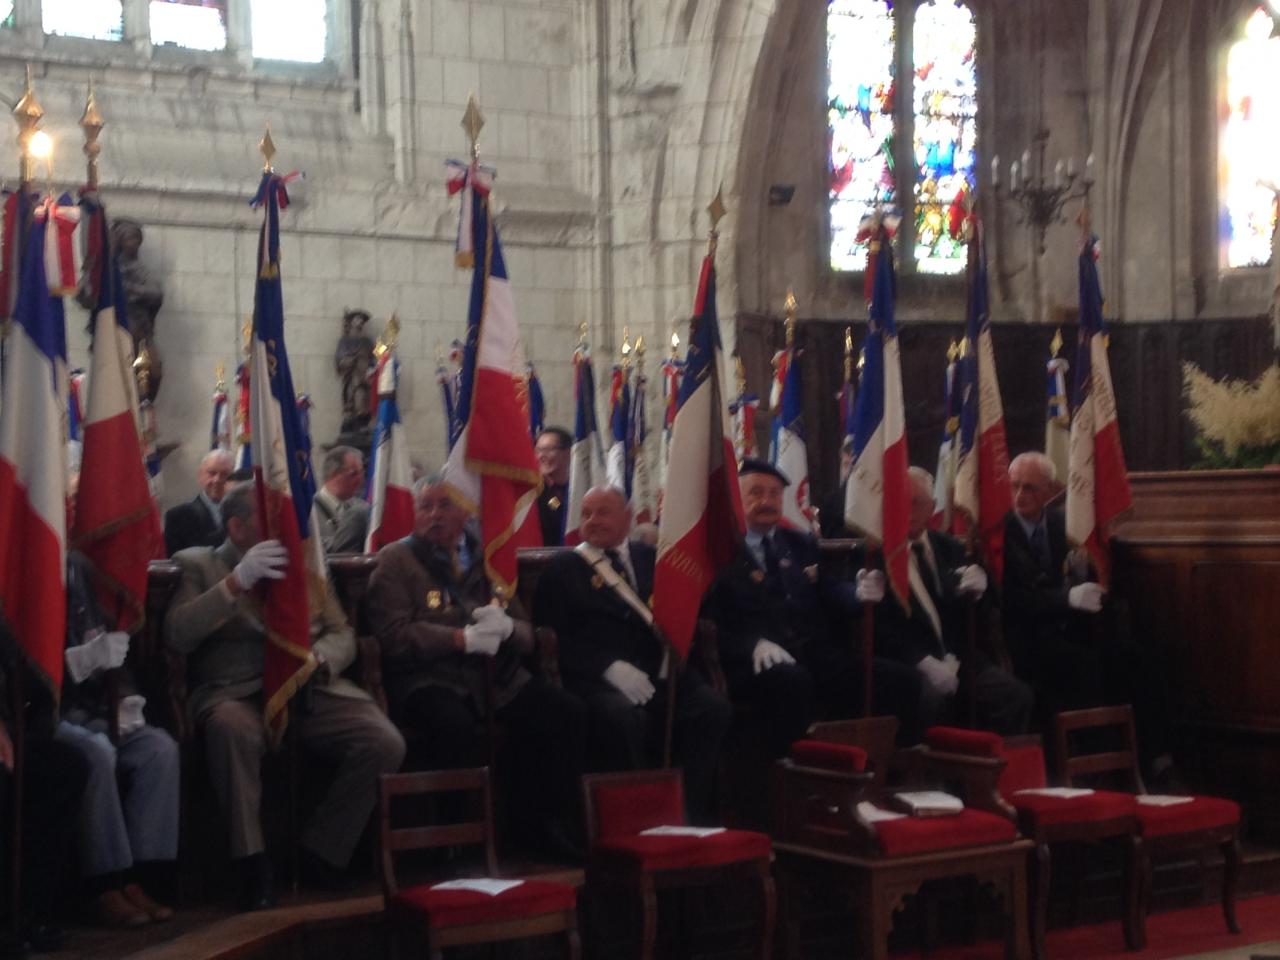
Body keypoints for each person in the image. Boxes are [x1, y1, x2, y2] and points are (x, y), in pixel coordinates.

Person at [166, 482, 405, 909]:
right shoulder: (197, 564)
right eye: (271, 521)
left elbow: (341, 631)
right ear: (237, 527)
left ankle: (324, 851)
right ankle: (250, 861)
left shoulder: (304, 565)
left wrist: (321, 657)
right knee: (230, 731)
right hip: (237, 689)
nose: (286, 530)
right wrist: (235, 584)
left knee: (383, 742)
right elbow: (179, 633)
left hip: (305, 683)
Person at [366, 475, 586, 859]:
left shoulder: (488, 555)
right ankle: (453, 842)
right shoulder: (396, 561)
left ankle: (540, 826)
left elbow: (528, 633)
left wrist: (507, 629)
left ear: (466, 512)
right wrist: (458, 639)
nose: (435, 515)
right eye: (426, 506)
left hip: (494, 678)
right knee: (453, 728)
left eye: (445, 505)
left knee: (564, 712)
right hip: (430, 678)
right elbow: (394, 636)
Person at [533, 485, 732, 825]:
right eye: (586, 514)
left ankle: (690, 814)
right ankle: (637, 822)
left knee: (711, 708)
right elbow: (552, 636)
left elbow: (683, 606)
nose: (593, 521)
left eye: (603, 512)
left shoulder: (652, 557)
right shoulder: (563, 568)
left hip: (659, 670)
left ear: (628, 517)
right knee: (624, 721)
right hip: (598, 680)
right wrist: (605, 667)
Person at [1003, 452, 1173, 776]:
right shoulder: (1002, 531)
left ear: (1050, 490)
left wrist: (1085, 579)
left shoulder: (1063, 523)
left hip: (1070, 628)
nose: (1019, 496)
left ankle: (1154, 756)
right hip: (1027, 638)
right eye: (1014, 487)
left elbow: (1081, 572)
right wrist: (1066, 598)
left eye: (1029, 488)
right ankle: (1099, 767)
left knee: (1136, 658)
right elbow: (1015, 597)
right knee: (1084, 668)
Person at [855, 467, 1032, 735]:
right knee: (929, 699)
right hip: (909, 660)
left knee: (1015, 696)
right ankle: (931, 775)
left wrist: (981, 591)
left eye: (917, 502)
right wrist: (922, 660)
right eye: (901, 500)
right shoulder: (875, 554)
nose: (908, 509)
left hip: (958, 656)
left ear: (932, 508)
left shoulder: (951, 548)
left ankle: (984, 772)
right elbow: (877, 626)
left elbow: (979, 615)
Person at [58, 549, 180, 928]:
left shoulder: (79, 566)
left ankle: (142, 878)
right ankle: (106, 883)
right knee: (97, 755)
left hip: (100, 705)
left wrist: (127, 699)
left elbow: (111, 644)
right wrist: (78, 661)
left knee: (159, 750)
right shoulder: (19, 562)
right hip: (50, 710)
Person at [702, 460, 819, 757]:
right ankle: (790, 781)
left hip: (804, 647)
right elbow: (708, 615)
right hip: (747, 661)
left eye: (775, 494)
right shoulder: (718, 549)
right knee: (793, 682)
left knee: (884, 675)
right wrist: (750, 643)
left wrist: (857, 593)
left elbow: (825, 593)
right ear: (736, 498)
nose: (766, 502)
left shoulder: (798, 543)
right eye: (755, 493)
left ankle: (872, 775)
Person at [163, 449, 233, 556]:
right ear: (200, 475)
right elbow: (174, 562)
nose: (217, 480)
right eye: (212, 473)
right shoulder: (177, 517)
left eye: (225, 474)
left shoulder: (244, 511)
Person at [313, 446, 371, 554]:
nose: (361, 480)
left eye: (362, 473)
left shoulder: (363, 508)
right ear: (334, 474)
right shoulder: (310, 513)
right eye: (354, 474)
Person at [534, 427, 572, 546]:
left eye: (547, 450)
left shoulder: (579, 487)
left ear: (567, 453)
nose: (541, 456)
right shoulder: (536, 492)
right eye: (538, 450)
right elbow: (556, 507)